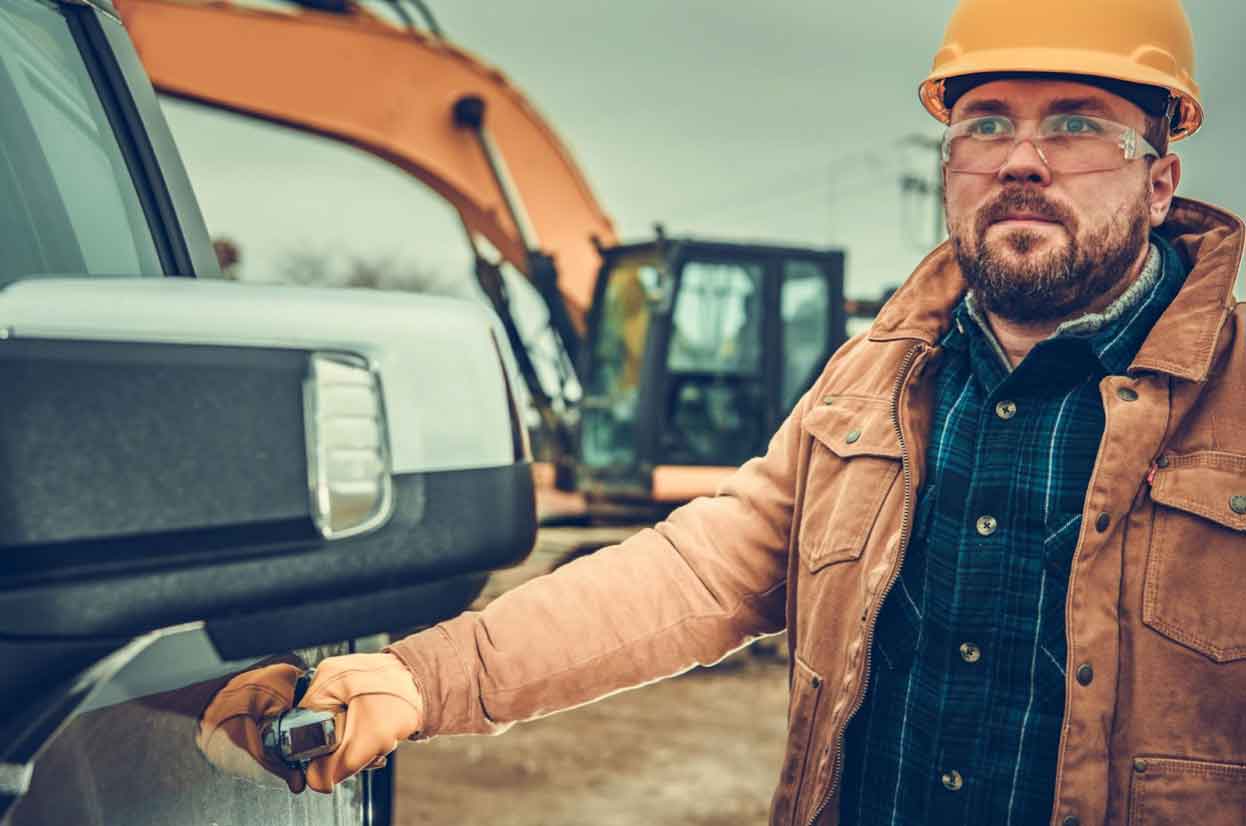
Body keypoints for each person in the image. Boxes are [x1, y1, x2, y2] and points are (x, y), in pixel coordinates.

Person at [199, 1, 1246, 823]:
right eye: (986, 124)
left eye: (1076, 126)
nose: (1022, 158)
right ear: (950, 167)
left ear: (1159, 182)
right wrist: (420, 678)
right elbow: (696, 570)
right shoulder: (871, 385)